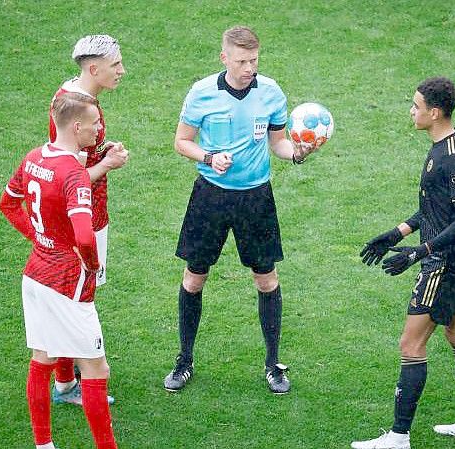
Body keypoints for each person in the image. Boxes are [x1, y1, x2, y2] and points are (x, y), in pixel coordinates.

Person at [163, 25, 318, 395]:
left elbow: (278, 143)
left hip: (256, 198)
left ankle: (273, 365)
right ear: (224, 58)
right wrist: (209, 156)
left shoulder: (271, 93)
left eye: (254, 60)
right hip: (210, 197)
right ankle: (184, 360)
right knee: (194, 278)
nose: (249, 67)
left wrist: (296, 154)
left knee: (266, 279)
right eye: (242, 60)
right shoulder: (201, 94)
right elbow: (181, 142)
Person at [351, 77, 455, 449]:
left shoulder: (454, 156)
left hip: (446, 261)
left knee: (411, 345)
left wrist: (419, 253)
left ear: (435, 111)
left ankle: (398, 436)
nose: (411, 111)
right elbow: (435, 208)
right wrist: (395, 234)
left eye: (415, 105)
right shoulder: (442, 147)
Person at [0, 92, 118, 449]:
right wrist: (92, 264)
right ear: (76, 126)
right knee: (97, 370)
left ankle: (44, 445)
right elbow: (84, 234)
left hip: (35, 273)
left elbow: (8, 203)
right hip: (67, 282)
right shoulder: (74, 175)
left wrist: (41, 238)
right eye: (95, 123)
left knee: (43, 357)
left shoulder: (35, 156)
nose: (99, 129)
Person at [48, 34, 129, 407]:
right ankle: (67, 383)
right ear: (93, 68)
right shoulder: (73, 105)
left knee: (75, 296)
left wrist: (102, 151)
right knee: (78, 297)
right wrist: (107, 164)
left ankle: (67, 378)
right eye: (116, 65)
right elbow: (72, 176)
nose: (122, 71)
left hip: (91, 213)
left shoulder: (80, 99)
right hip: (84, 218)